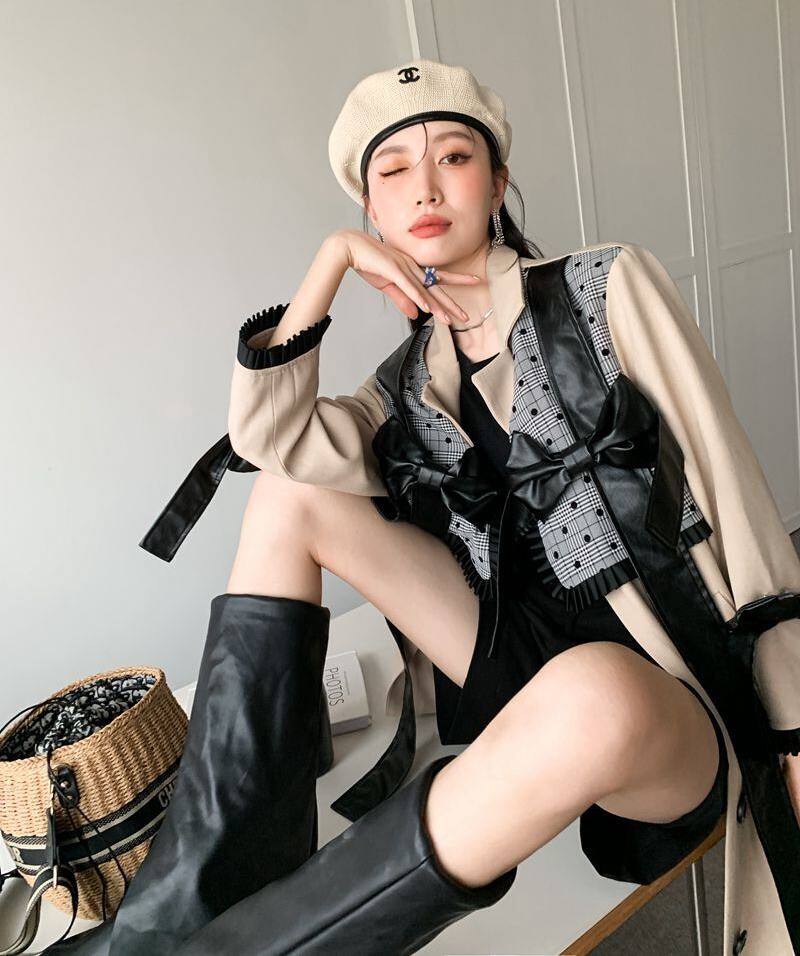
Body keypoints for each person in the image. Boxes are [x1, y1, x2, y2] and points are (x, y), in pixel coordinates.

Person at [48, 59, 800, 956]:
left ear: (498, 183)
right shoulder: (405, 382)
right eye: (394, 170)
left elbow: (741, 504)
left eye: (454, 157)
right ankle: (175, 918)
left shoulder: (606, 289)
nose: (426, 187)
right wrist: (331, 261)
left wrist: (796, 728)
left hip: (662, 697)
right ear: (373, 211)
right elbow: (272, 440)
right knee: (292, 494)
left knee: (592, 692)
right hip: (512, 663)